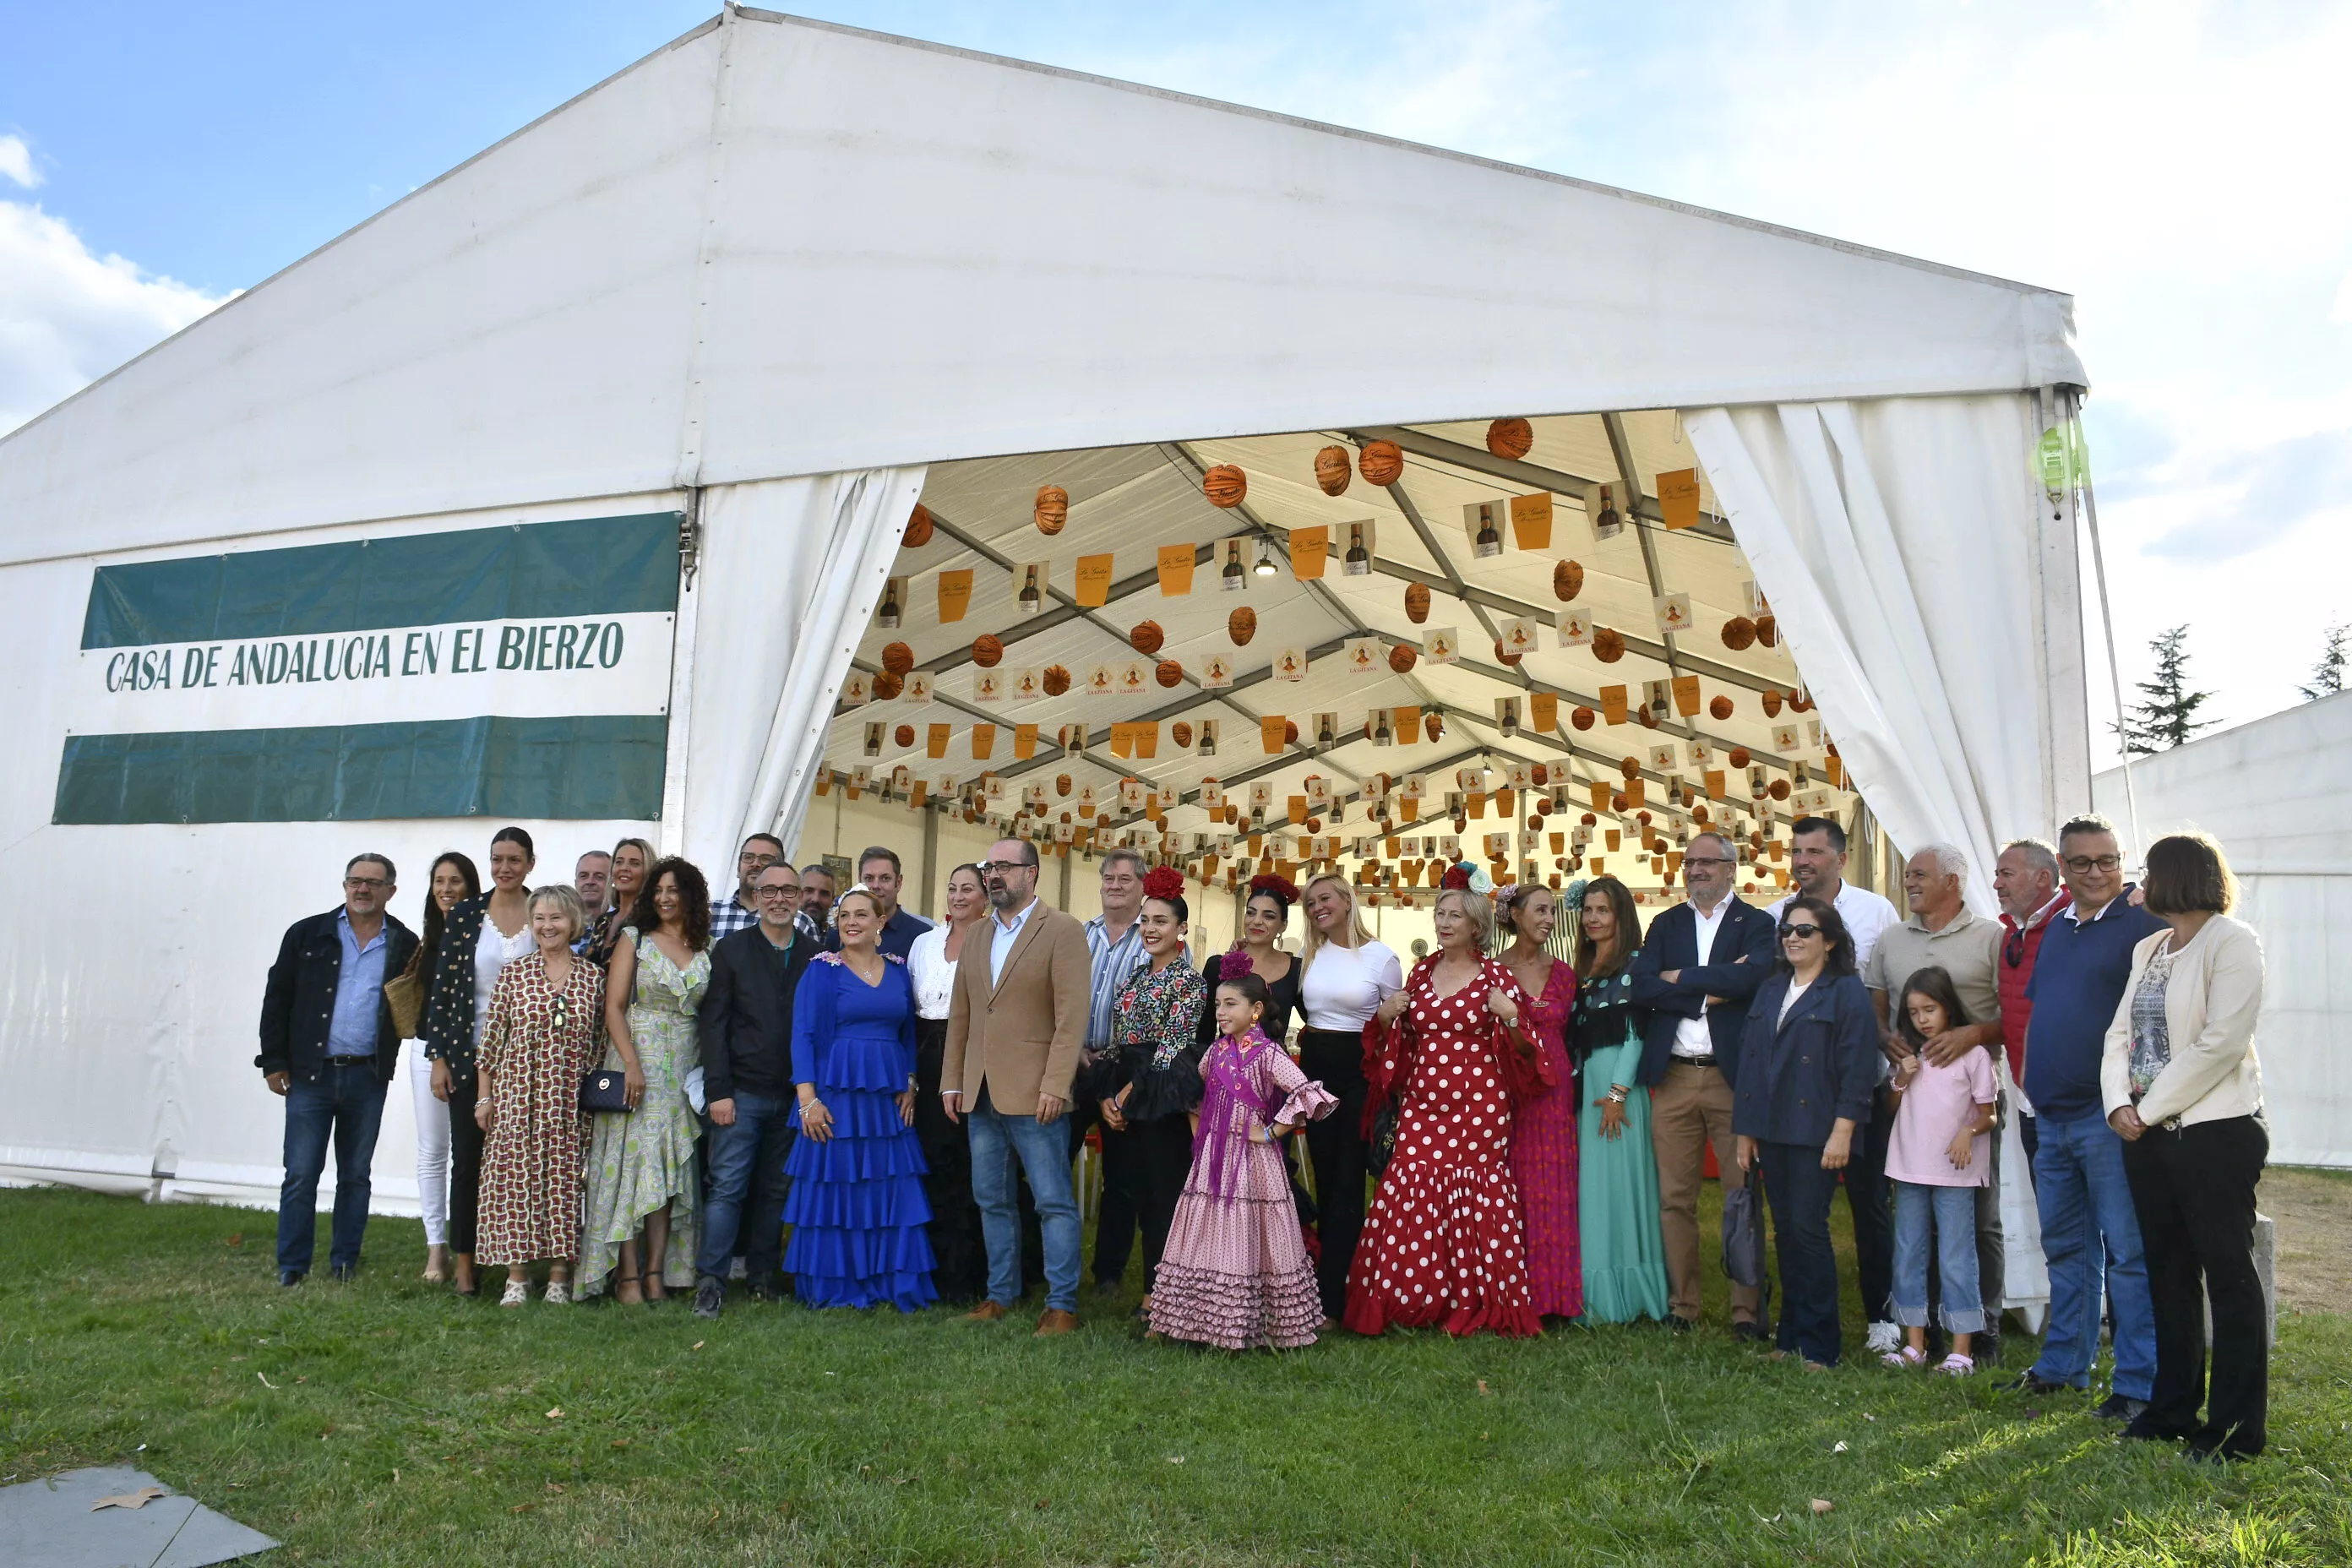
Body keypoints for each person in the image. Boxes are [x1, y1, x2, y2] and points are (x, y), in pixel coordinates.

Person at [2104, 832, 2269, 1461]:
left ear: (2178, 876)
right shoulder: (2150, 946)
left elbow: (2221, 1042)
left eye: (2147, 871)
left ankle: (2233, 1430)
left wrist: (2144, 1109)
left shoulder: (2234, 943)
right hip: (2145, 1133)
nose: (2136, 882)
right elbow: (2120, 1034)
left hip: (2215, 1134)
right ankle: (2171, 1409)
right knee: (2167, 1273)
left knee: (2228, 1277)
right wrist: (2118, 1102)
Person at [1348, 878, 1552, 1337]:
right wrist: (1384, 1016)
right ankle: (1410, 1297)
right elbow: (1394, 1038)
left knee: (1475, 1193)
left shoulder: (1497, 978)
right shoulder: (1420, 973)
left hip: (1479, 1105)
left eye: (1454, 915)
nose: (1444, 922)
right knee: (1410, 1187)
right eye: (1439, 915)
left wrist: (1511, 1015)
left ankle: (1473, 1300)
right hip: (1423, 1103)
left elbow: (1526, 1048)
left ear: (1476, 925)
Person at [2013, 814, 2165, 1418]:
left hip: (2110, 1119)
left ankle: (2137, 1384)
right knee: (2067, 1250)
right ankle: (2063, 1368)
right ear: (2062, 869)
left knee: (2128, 1253)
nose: (2097, 872)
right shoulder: (2055, 928)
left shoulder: (2146, 925)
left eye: (2108, 860)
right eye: (2082, 863)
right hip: (2050, 1116)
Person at [1861, 845, 2007, 1361]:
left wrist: (1972, 1035)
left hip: (1972, 1095)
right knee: (1912, 1224)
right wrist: (1888, 1043)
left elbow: (2014, 1015)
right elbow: (1879, 1013)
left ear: (1954, 881)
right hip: (1910, 1093)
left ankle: (1980, 1332)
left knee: (1977, 1224)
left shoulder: (1991, 936)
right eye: (1906, 875)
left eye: (1920, 875)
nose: (1909, 882)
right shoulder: (1891, 939)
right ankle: (1923, 1336)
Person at [943, 836, 1092, 1334]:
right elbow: (961, 1014)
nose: (995, 875)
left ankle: (1063, 1304)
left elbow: (1072, 1018)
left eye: (1005, 866)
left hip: (1037, 1093)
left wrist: (1057, 1083)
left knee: (1052, 1201)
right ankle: (1000, 1295)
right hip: (980, 1091)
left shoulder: (1064, 930)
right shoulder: (978, 933)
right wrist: (951, 1083)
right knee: (991, 1198)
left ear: (1032, 874)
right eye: (991, 866)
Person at [1146, 961, 1337, 1349]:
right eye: (1218, 1003)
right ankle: (1199, 1320)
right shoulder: (1215, 1050)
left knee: (1249, 1230)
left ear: (1255, 1011)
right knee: (1206, 1230)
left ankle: (1255, 1321)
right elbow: (1192, 1091)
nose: (1221, 1012)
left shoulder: (1268, 1054)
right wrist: (1201, 1131)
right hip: (1213, 1159)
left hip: (1253, 1162)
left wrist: (1270, 1132)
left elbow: (1305, 1093)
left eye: (1231, 1004)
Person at [1631, 833, 1776, 1337]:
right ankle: (1683, 1307)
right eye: (1689, 862)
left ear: (1731, 868)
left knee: (1741, 1195)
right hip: (1672, 1078)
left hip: (1730, 1078)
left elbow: (1752, 981)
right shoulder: (1666, 922)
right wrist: (1709, 989)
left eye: (1707, 862)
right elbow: (1642, 985)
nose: (1695, 870)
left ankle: (1745, 1312)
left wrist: (1681, 979)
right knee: (1675, 1197)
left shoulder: (1757, 924)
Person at [1767, 816, 1900, 1353]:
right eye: (1797, 850)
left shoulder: (1876, 912)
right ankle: (1795, 1322)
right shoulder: (1777, 915)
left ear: (1840, 859)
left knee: (1870, 1202)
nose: (1803, 860)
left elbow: (1887, 989)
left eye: (1815, 852)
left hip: (1857, 1084)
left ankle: (1882, 1315)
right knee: (1799, 1216)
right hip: (1797, 1096)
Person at [258, 853, 421, 1287]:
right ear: (345, 885)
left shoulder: (405, 943)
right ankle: (293, 1266)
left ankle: (345, 1262)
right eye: (354, 881)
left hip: (367, 1076)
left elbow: (413, 1008)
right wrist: (272, 1061)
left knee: (355, 1175)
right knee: (301, 1174)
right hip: (311, 1074)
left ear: (391, 890)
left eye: (373, 882)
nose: (362, 889)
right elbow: (277, 999)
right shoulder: (308, 934)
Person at [1733, 895, 1879, 1369]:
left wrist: (1843, 1132)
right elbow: (1752, 1062)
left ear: (1830, 941)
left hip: (1818, 1130)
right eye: (1787, 931)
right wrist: (1746, 1131)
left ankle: (1820, 1346)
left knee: (1809, 1230)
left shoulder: (1847, 992)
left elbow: (1857, 1069)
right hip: (1772, 1130)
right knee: (1786, 1232)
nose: (1792, 937)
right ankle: (1791, 1336)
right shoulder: (1772, 988)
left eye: (1804, 931)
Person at [782, 886, 938, 1310]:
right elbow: (803, 1036)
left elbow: (909, 1035)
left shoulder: (899, 970)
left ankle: (890, 1280)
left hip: (887, 1099)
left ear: (880, 923)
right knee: (838, 1186)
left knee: (889, 1187)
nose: (851, 922)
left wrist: (910, 1082)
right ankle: (840, 1283)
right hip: (835, 1095)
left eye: (861, 915)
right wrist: (808, 1099)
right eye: (844, 916)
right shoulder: (822, 971)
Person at [580, 857, 711, 1302]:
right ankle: (628, 1275)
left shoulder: (704, 945)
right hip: (639, 1062)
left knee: (672, 1174)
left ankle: (658, 1272)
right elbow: (613, 1006)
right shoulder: (634, 939)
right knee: (636, 1171)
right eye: (658, 890)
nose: (664, 897)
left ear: (690, 895)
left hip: (684, 1069)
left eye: (674, 890)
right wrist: (631, 1065)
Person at [693, 859, 817, 1317]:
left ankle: (764, 1277)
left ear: (801, 896)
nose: (780, 899)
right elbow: (714, 1025)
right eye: (770, 891)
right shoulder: (730, 950)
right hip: (739, 1093)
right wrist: (718, 1091)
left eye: (789, 891)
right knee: (727, 1188)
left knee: (775, 1190)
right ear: (757, 896)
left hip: (792, 1095)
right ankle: (711, 1280)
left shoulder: (813, 953)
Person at [420, 826, 539, 1298]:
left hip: (532, 1062)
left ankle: (522, 1265)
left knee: (524, 1165)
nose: (504, 868)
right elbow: (444, 994)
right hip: (471, 1059)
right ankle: (466, 1263)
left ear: (531, 862)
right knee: (468, 1160)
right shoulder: (467, 914)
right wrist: (439, 1058)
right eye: (496, 859)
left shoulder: (545, 910)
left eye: (513, 859)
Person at [474, 885, 605, 1306]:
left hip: (569, 1100)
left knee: (564, 1184)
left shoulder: (592, 977)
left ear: (573, 922)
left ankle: (558, 1276)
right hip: (517, 1096)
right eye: (540, 919)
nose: (547, 926)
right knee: (517, 1182)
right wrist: (484, 1098)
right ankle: (517, 1276)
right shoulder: (514, 974)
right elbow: (491, 1043)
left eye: (556, 918)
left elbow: (599, 1044)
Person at [1098, 869, 1210, 1311]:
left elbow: (1171, 1050)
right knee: (1130, 1189)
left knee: (1163, 1195)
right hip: (1125, 1087)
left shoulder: (1190, 983)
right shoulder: (1134, 979)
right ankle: (1129, 1283)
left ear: (1181, 929)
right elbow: (1118, 1042)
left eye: (1160, 922)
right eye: (1145, 921)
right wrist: (1107, 1094)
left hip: (1161, 1094)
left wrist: (1126, 1095)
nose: (1150, 929)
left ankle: (1156, 1296)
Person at [1296, 873, 1404, 1323]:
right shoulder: (1309, 954)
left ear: (1346, 900)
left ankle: (1339, 1293)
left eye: (1325, 899)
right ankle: (1325, 1280)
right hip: (1314, 1066)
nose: (1317, 907)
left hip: (1357, 1072)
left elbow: (1396, 1028)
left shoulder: (1382, 958)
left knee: (1346, 1179)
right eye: (1310, 902)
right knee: (1323, 1172)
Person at [1882, 967, 1997, 1375]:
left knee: (1955, 1256)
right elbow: (1892, 1110)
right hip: (1909, 1166)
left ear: (1948, 1006)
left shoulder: (1973, 1054)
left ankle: (1962, 1350)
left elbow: (1989, 1115)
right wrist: (1900, 1079)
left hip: (1954, 1172)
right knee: (1909, 1252)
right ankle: (1914, 1346)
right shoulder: (1909, 1055)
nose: (1922, 1019)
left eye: (1929, 1009)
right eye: (1913, 1013)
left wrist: (1968, 1132)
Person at [1571, 876, 1672, 1325]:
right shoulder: (1582, 967)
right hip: (1587, 1089)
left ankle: (1630, 1293)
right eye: (1588, 910)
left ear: (1621, 915)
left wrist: (1616, 1094)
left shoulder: (1637, 964)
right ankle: (1593, 1290)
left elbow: (1635, 1036)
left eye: (1603, 910)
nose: (1593, 918)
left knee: (1620, 1191)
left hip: (1618, 1093)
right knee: (1592, 1192)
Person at [1495, 882, 1583, 1321]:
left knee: (1553, 1183)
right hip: (1505, 1082)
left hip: (1552, 1089)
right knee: (1509, 1181)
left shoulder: (1565, 973)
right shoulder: (1491, 971)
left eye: (1553, 911)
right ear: (1515, 914)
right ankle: (1510, 1292)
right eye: (1541, 910)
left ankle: (1553, 1296)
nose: (1549, 919)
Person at [907, 863, 994, 1303]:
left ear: (985, 897)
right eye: (952, 887)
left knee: (968, 1165)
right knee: (930, 1162)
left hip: (969, 1054)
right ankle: (930, 1268)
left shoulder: (993, 941)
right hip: (925, 1056)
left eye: (968, 889)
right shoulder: (923, 943)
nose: (958, 896)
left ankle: (967, 1274)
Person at [1074, 848, 1152, 1298]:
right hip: (1073, 1063)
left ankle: (1108, 1274)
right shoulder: (1078, 935)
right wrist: (1072, 1051)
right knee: (1050, 1162)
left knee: (1122, 1177)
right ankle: (1043, 1267)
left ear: (1142, 886)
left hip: (1123, 1068)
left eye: (1125, 878)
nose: (1115, 885)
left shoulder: (1155, 935)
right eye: (1109, 877)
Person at [404, 852, 480, 1282]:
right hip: (427, 1051)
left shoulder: (479, 931)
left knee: (471, 1155)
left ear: (470, 888)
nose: (446, 889)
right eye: (439, 881)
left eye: (455, 882)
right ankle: (436, 1249)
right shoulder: (426, 938)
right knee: (433, 1150)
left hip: (471, 1055)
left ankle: (473, 1245)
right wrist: (437, 1057)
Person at [1993, 837, 2069, 1168]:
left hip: (2072, 1103)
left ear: (2043, 877)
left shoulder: (2072, 923)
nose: (1997, 883)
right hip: (2029, 1099)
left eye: (2007, 873)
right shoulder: (2012, 931)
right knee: (2051, 1213)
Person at [1198, 875, 1303, 1046]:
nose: (1257, 921)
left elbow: (1317, 1021)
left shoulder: (1296, 969)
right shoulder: (1218, 965)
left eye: (1268, 916)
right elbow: (1204, 1031)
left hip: (1274, 1069)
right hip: (1226, 1068)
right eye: (1251, 913)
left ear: (1283, 925)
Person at [825, 846, 934, 961]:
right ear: (859, 880)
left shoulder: (922, 935)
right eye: (869, 878)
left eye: (885, 878)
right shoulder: (841, 934)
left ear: (898, 882)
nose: (876, 886)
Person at [585, 838, 655, 969]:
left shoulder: (651, 922)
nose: (624, 868)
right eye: (619, 862)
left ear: (648, 872)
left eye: (635, 864)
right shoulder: (603, 921)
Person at [712, 835, 783, 942]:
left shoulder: (799, 922)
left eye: (766, 859)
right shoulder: (708, 913)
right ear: (738, 868)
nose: (755, 864)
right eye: (748, 857)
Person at [574, 851, 613, 937]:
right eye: (584, 876)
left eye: (599, 877)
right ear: (576, 883)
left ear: (612, 882)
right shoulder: (562, 923)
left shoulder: (623, 925)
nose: (590, 882)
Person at [798, 862, 839, 943]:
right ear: (796, 893)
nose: (816, 899)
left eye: (824, 893)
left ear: (832, 900)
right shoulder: (796, 922)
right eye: (809, 891)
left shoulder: (834, 937)